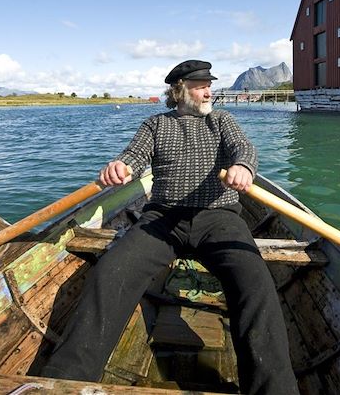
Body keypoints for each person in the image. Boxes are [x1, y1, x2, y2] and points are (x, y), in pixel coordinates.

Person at [41, 60, 299, 394]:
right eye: (199, 85)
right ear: (178, 90)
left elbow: (244, 148)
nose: (208, 90)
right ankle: (65, 381)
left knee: (255, 282)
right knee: (110, 273)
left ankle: (274, 389)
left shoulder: (222, 121)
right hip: (162, 219)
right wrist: (119, 167)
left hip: (219, 218)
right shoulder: (155, 125)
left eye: (209, 83)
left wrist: (243, 166)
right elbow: (133, 157)